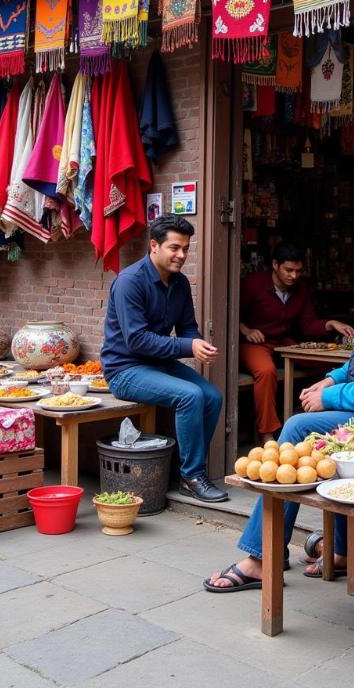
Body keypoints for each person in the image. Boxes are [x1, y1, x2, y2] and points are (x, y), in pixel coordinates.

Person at [204, 228, 354, 591]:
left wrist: (329, 399)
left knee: (297, 429)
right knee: (308, 425)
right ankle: (340, 550)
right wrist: (332, 381)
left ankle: (260, 557)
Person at [101, 213, 228, 503]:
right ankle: (193, 475)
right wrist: (187, 346)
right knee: (191, 396)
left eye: (185, 248)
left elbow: (186, 327)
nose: (181, 255)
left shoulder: (179, 283)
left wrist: (197, 343)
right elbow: (137, 340)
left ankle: (188, 472)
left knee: (212, 395)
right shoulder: (129, 282)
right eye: (174, 248)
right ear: (154, 246)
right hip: (124, 369)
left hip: (157, 365)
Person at [239, 242, 354, 442]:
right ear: (275, 265)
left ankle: (323, 419)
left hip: (284, 342)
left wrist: (330, 323)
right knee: (266, 371)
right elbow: (231, 313)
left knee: (328, 365)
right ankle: (268, 434)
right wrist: (246, 330)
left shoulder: (301, 289)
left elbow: (307, 324)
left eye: (298, 271)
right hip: (254, 343)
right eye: (289, 270)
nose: (293, 276)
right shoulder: (254, 284)